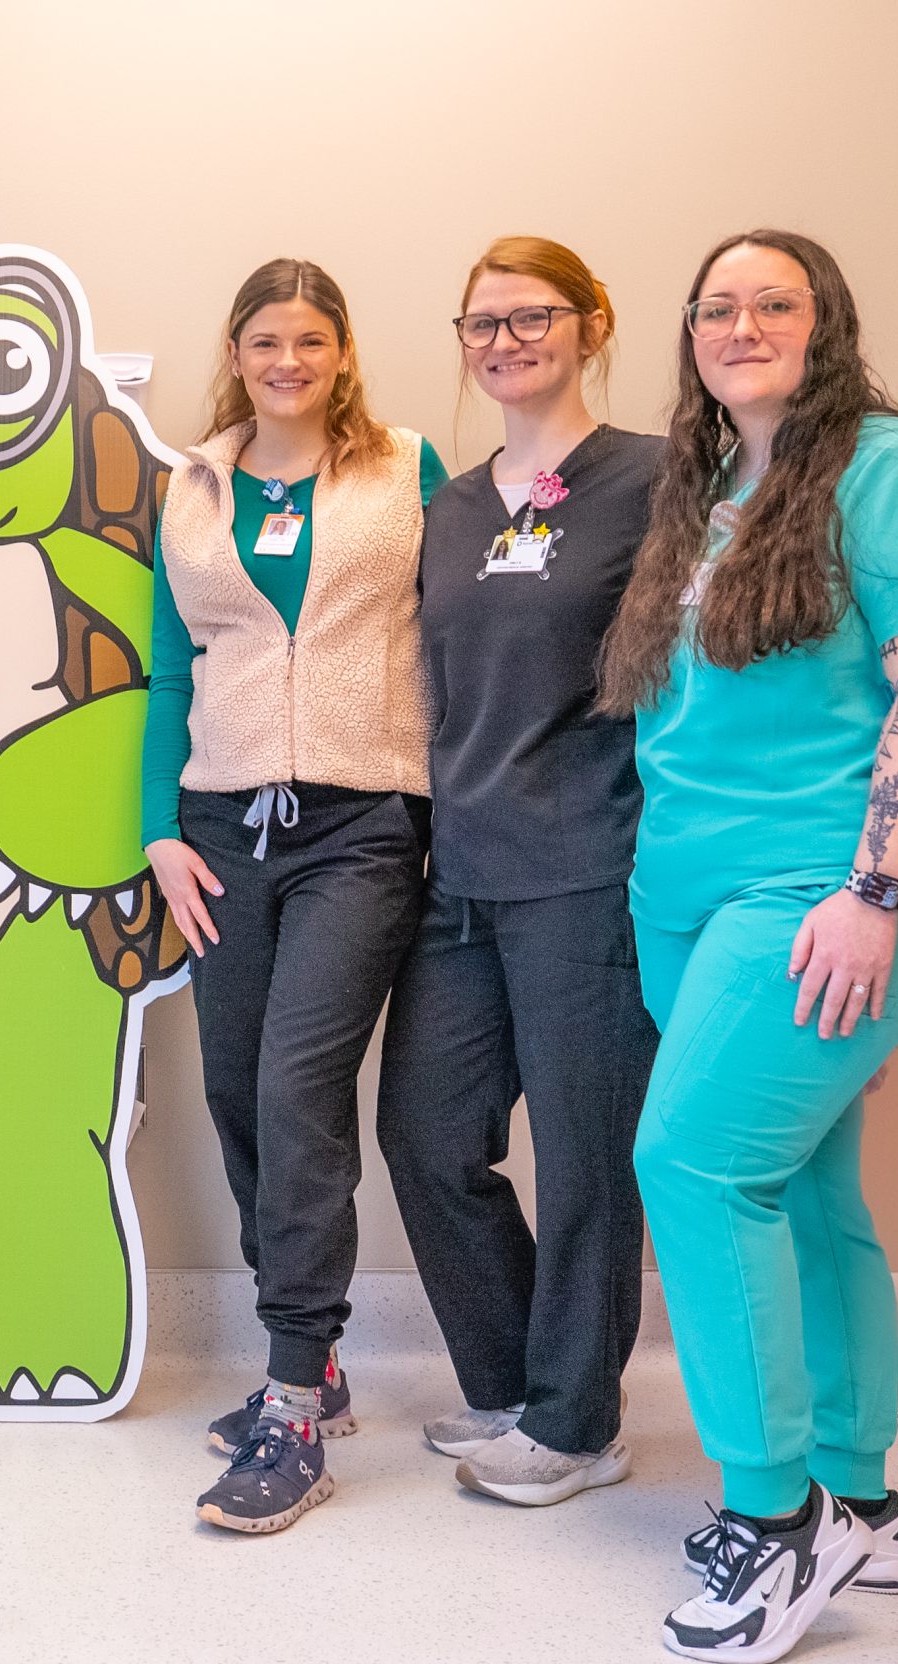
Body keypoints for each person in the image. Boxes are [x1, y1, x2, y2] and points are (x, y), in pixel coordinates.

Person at [604, 230, 898, 1663]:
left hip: (820, 890)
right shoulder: (707, 486)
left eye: (774, 301)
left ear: (826, 322)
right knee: (805, 1186)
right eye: (715, 306)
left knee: (694, 1164)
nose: (741, 323)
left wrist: (874, 897)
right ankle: (864, 1502)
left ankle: (775, 1521)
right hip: (687, 897)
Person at [140, 258, 447, 1533]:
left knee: (297, 1087)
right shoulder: (193, 486)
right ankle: (310, 1357)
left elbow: (460, 637)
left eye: (311, 339)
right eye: (266, 339)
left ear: (342, 352)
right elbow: (171, 667)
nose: (288, 360)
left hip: (361, 821)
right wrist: (157, 831)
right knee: (235, 1089)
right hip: (221, 829)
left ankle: (291, 1405)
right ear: (236, 352)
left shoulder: (406, 469)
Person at [375, 237, 662, 1507]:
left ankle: (576, 1422)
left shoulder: (654, 477)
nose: (503, 341)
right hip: (461, 870)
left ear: (591, 323)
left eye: (531, 316)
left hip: (589, 863)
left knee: (588, 1156)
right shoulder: (449, 507)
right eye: (481, 323)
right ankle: (509, 1384)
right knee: (425, 1132)